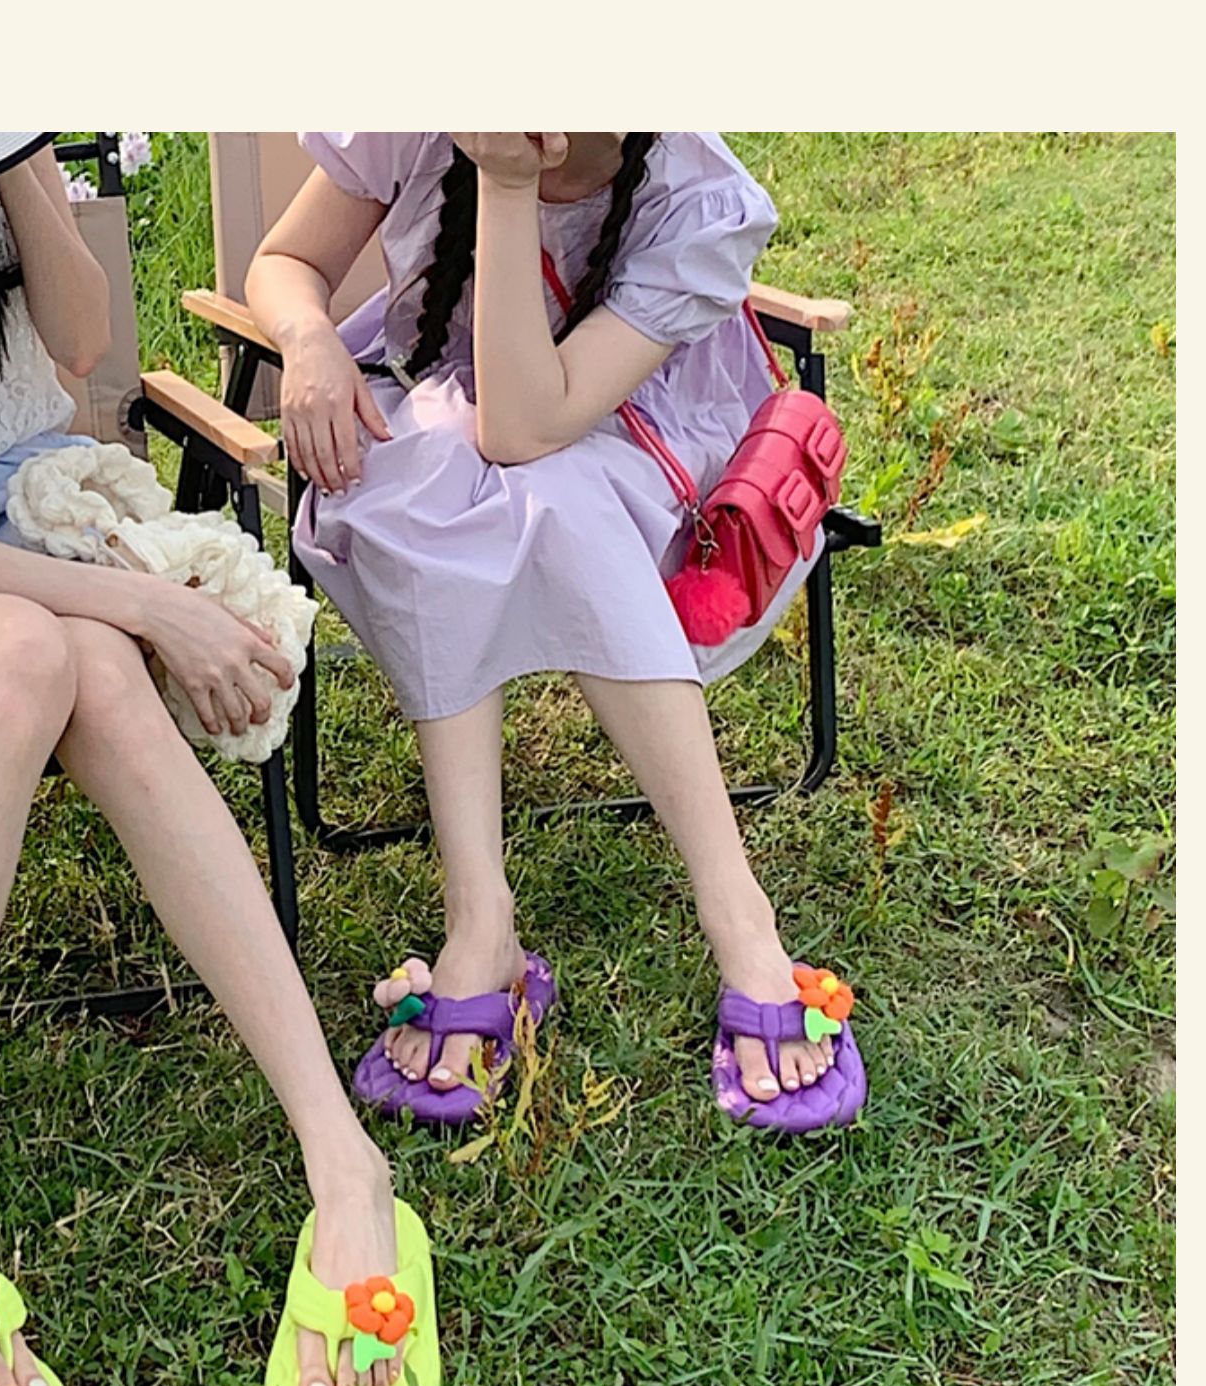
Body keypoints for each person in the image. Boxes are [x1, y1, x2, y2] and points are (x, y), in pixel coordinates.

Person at [0, 132, 427, 1386]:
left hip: (7, 519)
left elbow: (77, 342)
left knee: (96, 674)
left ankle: (343, 1156)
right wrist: (144, 604)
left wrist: (9, 146)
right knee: (30, 656)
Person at [246, 131, 865, 1131]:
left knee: (553, 496)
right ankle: (479, 915)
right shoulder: (421, 119)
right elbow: (287, 260)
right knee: (431, 491)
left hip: (646, 456)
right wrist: (309, 335)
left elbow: (525, 428)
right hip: (450, 420)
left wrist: (506, 179)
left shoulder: (694, 196)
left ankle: (737, 913)